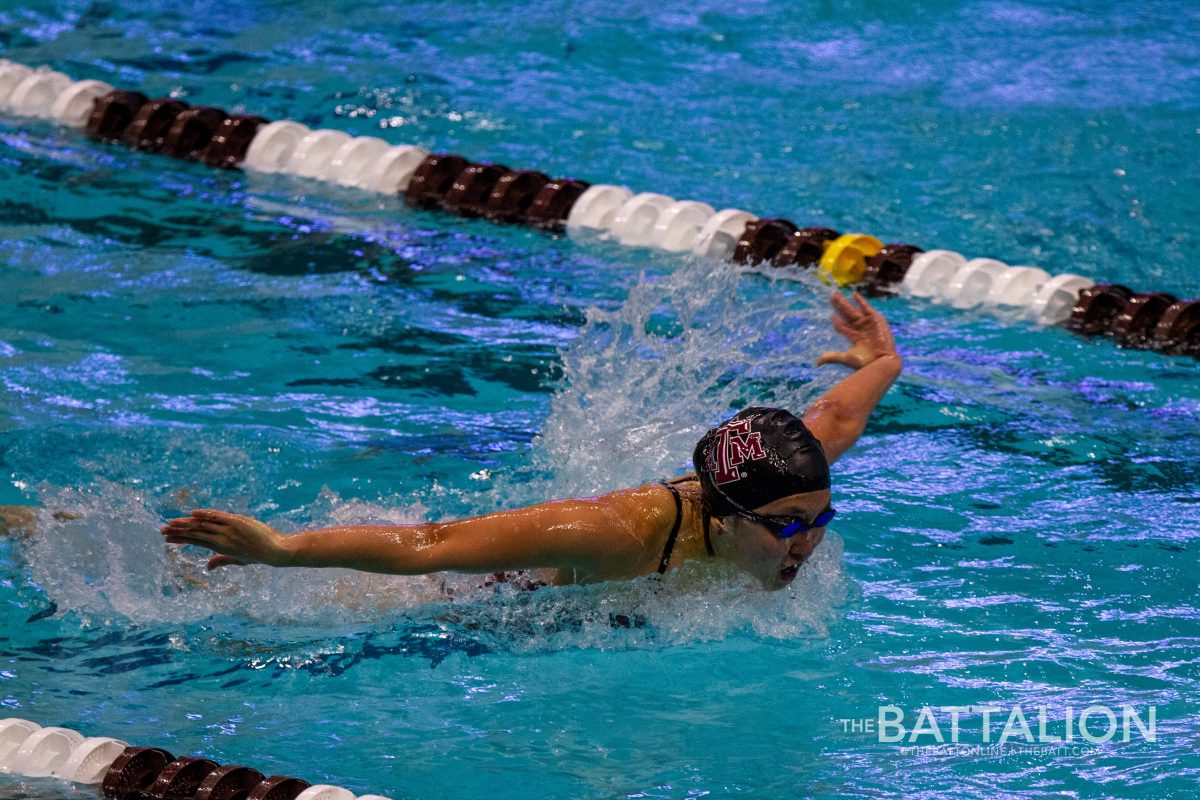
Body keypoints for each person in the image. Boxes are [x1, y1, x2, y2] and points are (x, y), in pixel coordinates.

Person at [160, 291, 901, 592]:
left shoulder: (783, 484)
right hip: (466, 600)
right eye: (791, 529)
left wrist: (885, 362)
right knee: (215, 591)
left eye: (818, 522)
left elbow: (834, 420)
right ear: (727, 512)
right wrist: (285, 551)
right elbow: (432, 544)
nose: (808, 541)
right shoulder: (616, 533)